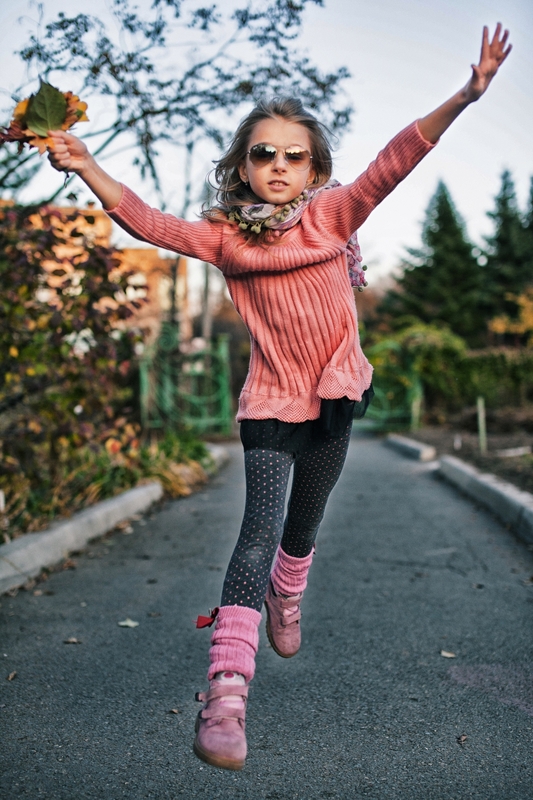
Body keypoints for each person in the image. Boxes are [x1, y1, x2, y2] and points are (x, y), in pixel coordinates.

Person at [47, 24, 511, 771]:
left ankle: (285, 597)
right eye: (263, 153)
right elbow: (147, 220)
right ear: (243, 165)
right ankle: (226, 696)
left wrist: (465, 94)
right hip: (270, 402)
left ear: (314, 169)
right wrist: (86, 163)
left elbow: (396, 159)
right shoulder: (225, 239)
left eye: (295, 156)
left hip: (336, 394)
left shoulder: (333, 216)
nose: (278, 166)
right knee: (256, 533)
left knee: (304, 523)